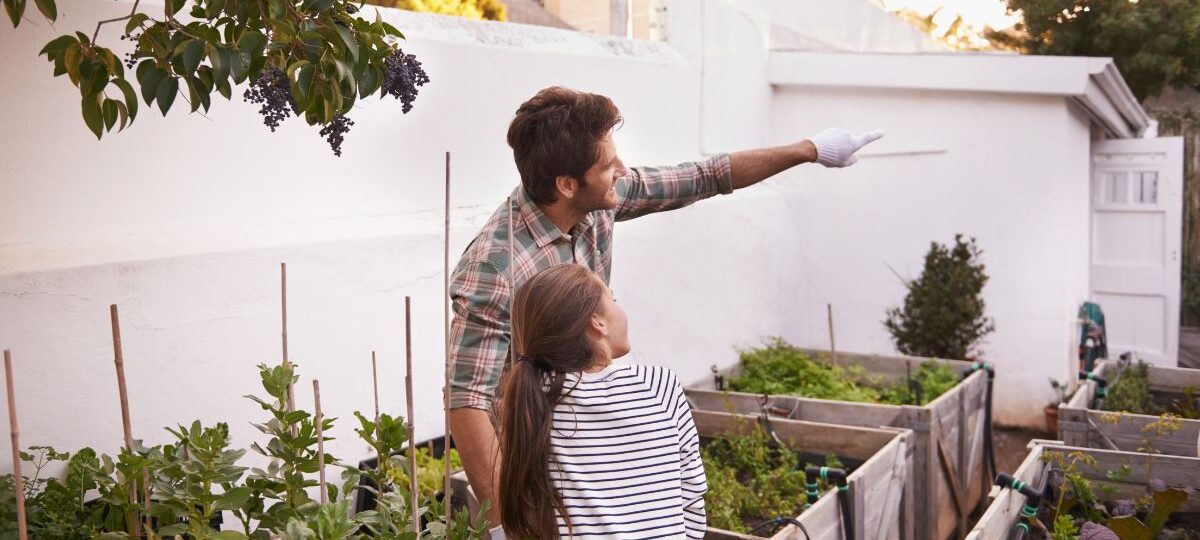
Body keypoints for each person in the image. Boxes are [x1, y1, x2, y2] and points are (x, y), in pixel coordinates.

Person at [448, 86, 883, 524]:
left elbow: (704, 176)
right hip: (540, 472)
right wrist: (508, 525)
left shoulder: (593, 203)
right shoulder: (496, 267)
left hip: (594, 448)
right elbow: (467, 403)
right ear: (566, 184)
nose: (622, 169)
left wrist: (810, 149)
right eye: (607, 165)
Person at [497, 263, 706, 539]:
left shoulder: (534, 399)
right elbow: (692, 502)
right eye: (614, 300)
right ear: (598, 322)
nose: (621, 309)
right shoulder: (660, 387)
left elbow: (528, 513)